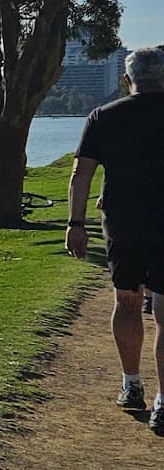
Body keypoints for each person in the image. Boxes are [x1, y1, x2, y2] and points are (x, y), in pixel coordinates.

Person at [67, 46, 164, 429]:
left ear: (128, 80)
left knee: (127, 302)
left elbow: (81, 174)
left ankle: (132, 384)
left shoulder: (103, 117)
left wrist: (76, 223)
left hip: (123, 225)